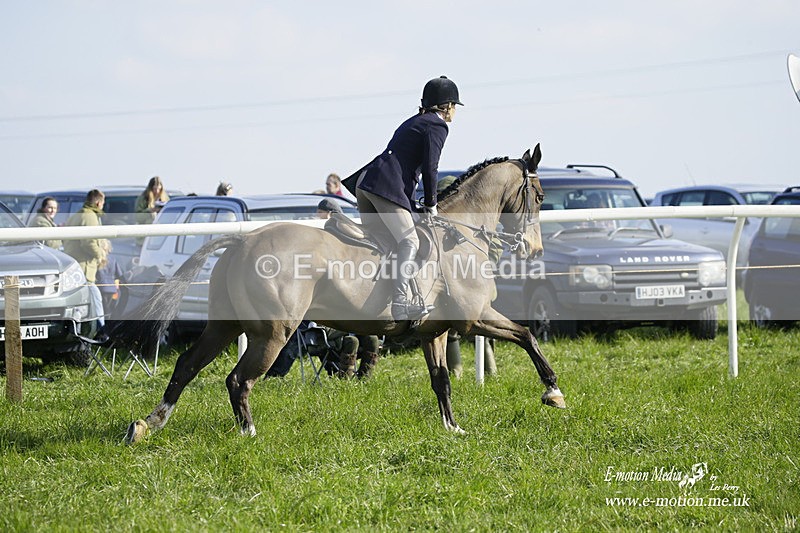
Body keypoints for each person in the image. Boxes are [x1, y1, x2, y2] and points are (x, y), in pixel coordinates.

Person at [349, 75, 462, 321]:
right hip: (384, 188)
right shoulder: (437, 125)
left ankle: (366, 297)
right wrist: (432, 203)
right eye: (455, 106)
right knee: (409, 241)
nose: (455, 112)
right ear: (448, 106)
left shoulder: (416, 121)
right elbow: (431, 168)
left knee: (381, 243)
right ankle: (400, 303)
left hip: (366, 184)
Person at [63, 189, 107, 332]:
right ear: (98, 202)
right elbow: (89, 242)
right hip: (85, 268)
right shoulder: (90, 217)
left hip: (74, 266)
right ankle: (102, 332)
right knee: (96, 299)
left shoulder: (77, 215)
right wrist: (101, 254)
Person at [96, 239, 124, 316]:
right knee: (111, 311)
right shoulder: (113, 260)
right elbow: (119, 275)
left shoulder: (97, 260)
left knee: (102, 311)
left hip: (101, 289)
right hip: (113, 290)